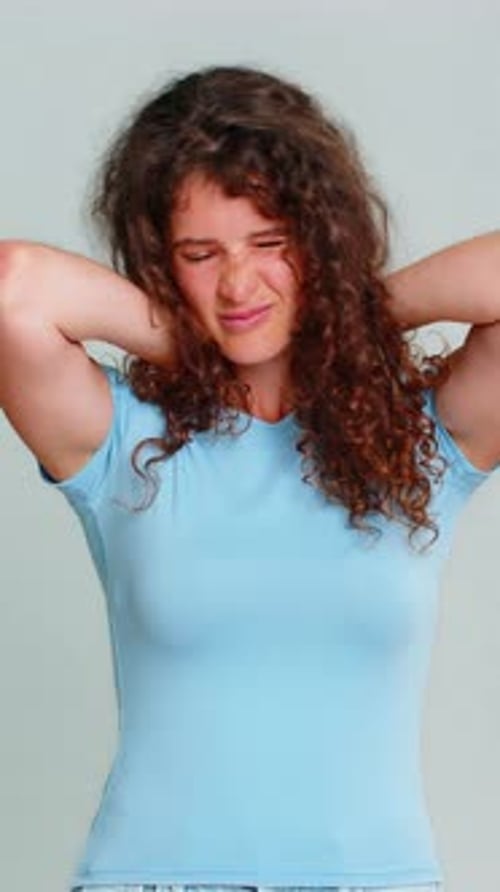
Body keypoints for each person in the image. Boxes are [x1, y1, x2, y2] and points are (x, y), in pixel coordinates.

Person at [1, 65, 499, 892]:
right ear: (161, 265)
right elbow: (13, 289)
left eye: (271, 244)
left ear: (323, 240)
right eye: (200, 254)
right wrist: (198, 345)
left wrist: (345, 317)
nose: (237, 284)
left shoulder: (420, 441)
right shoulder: (122, 440)